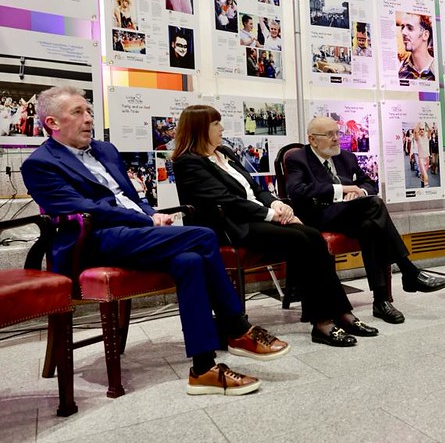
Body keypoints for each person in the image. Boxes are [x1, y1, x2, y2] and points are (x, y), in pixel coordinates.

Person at [20, 86, 289, 396]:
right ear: (52, 122)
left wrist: (152, 213)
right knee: (203, 236)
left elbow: (132, 197)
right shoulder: (40, 164)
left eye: (89, 112)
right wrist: (146, 220)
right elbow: (87, 210)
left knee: (189, 261)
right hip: (92, 243)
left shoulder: (105, 150)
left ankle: (204, 370)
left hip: (133, 234)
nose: (88, 119)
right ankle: (238, 328)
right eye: (78, 112)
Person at [171, 105, 378, 347]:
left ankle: (340, 314)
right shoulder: (188, 162)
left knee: (312, 236)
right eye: (216, 124)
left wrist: (277, 204)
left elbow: (256, 189)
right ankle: (324, 321)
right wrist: (271, 214)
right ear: (199, 129)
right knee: (302, 239)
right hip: (233, 226)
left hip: (258, 216)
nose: (222, 128)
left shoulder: (224, 152)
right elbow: (227, 202)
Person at [285, 116, 445, 324]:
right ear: (313, 139)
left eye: (338, 133)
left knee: (370, 226)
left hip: (351, 214)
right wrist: (342, 190)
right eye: (330, 135)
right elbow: (296, 191)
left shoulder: (346, 157)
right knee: (376, 205)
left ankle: (380, 300)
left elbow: (368, 183)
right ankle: (408, 271)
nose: (337, 139)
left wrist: (360, 192)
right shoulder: (298, 158)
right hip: (319, 216)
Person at [397, 13, 435, 80]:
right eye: (402, 27)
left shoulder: (438, 71)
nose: (403, 32)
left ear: (425, 35)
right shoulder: (400, 71)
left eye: (410, 28)